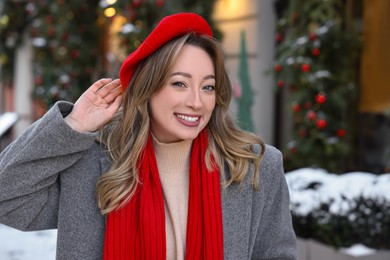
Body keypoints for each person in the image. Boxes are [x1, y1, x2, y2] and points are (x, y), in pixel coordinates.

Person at [0, 13, 297, 260]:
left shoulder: (254, 167)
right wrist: (74, 125)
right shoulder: (91, 165)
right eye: (179, 84)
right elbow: (6, 197)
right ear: (149, 88)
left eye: (207, 87)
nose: (197, 101)